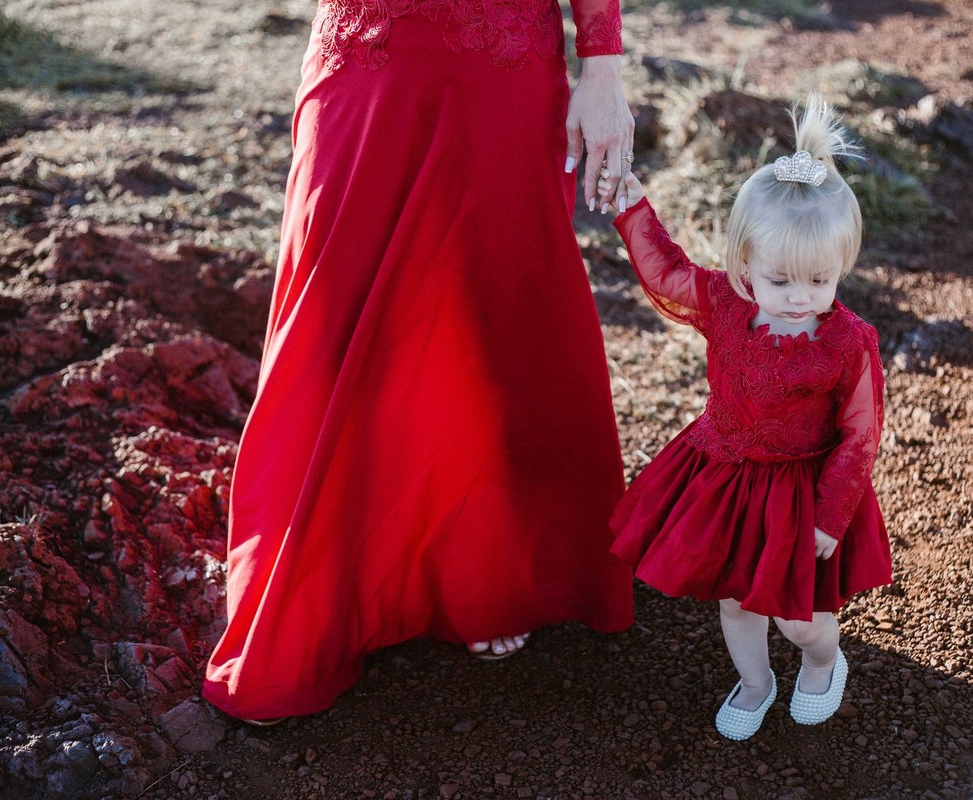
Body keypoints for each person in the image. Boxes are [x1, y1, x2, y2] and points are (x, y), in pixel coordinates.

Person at [203, 0, 637, 722]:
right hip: (362, 54)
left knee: (486, 313)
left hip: (501, 59)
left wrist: (604, 63)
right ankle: (333, 582)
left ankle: (486, 571)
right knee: (332, 310)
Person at [598, 96, 893, 741]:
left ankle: (823, 658)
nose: (799, 297)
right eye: (780, 279)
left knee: (799, 615)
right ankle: (756, 683)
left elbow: (860, 434)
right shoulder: (725, 305)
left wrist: (830, 514)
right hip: (726, 477)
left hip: (800, 492)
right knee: (738, 600)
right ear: (745, 267)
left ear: (841, 263)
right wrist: (630, 206)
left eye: (819, 279)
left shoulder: (849, 342)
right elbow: (665, 269)